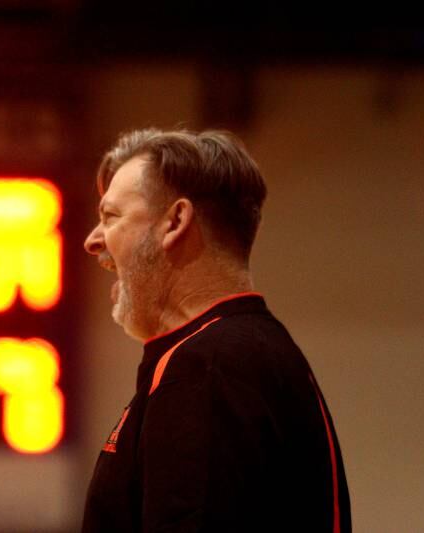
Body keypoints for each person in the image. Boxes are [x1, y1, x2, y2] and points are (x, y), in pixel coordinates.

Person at [81, 128, 351, 532]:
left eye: (110, 217)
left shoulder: (208, 366)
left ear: (175, 221)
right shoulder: (240, 350)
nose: (92, 240)